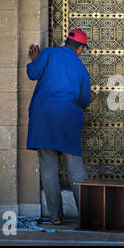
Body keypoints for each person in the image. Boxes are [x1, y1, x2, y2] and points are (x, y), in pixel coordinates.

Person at [26, 29, 96, 224]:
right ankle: (87, 216)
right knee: (75, 169)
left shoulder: (48, 53)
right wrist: (90, 98)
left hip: (43, 119)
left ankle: (55, 217)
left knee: (48, 170)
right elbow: (82, 100)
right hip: (67, 120)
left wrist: (35, 60)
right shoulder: (81, 68)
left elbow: (33, 73)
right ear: (80, 48)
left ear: (66, 42)